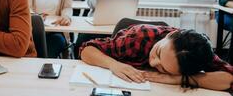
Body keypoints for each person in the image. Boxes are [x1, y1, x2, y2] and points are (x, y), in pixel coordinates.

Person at [80, 24, 233, 91]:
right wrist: (114, 65)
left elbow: (229, 78)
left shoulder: (198, 53)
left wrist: (178, 79)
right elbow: (86, 49)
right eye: (159, 52)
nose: (153, 62)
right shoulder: (138, 37)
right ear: (170, 35)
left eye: (163, 69)